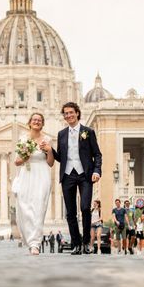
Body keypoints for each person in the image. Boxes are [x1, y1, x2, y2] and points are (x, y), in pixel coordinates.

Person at [51, 102, 103, 255]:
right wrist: (50, 150)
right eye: (66, 113)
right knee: (70, 212)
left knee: (85, 208)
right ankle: (76, 244)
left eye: (71, 112)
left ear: (77, 113)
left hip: (85, 174)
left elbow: (97, 154)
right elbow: (62, 157)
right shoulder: (61, 134)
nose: (69, 115)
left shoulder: (88, 131)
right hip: (68, 175)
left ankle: (86, 242)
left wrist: (97, 171)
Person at [12, 112, 54, 256]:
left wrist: (49, 151)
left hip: (42, 174)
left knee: (38, 208)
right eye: (34, 120)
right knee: (24, 207)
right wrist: (26, 155)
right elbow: (16, 161)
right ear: (29, 122)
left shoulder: (48, 139)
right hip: (26, 174)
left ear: (42, 123)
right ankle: (30, 241)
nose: (36, 122)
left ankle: (35, 243)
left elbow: (50, 163)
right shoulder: (23, 139)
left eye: (39, 120)